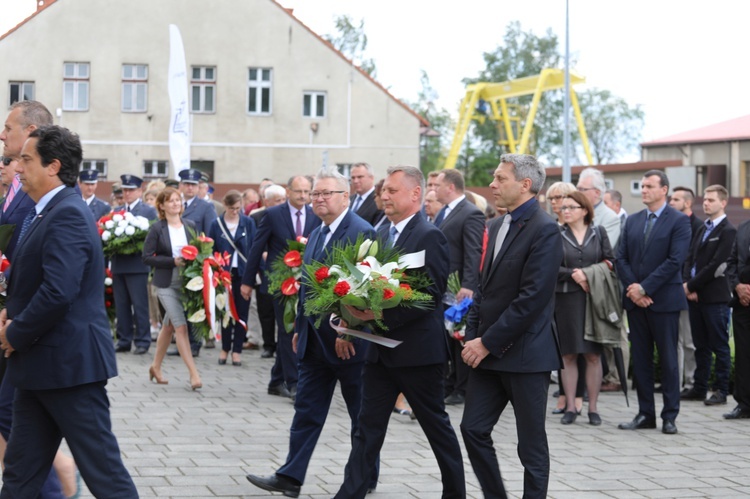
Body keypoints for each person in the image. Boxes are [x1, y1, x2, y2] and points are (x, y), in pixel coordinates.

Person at [0, 125, 138, 497]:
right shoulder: (47, 212)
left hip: (69, 368)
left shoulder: (68, 214)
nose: (18, 168)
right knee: (19, 476)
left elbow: (59, 291)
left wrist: (14, 331)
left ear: (53, 166)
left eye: (27, 160)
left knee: (104, 475)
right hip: (37, 368)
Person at [334, 165, 465, 499]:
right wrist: (351, 317)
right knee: (367, 429)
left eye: (392, 190)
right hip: (379, 353)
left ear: (416, 194)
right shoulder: (380, 236)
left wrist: (373, 315)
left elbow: (430, 298)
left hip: (417, 354)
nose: (384, 196)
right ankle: (349, 494)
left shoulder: (429, 235)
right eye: (384, 191)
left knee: (435, 427)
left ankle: (455, 493)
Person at [246, 169, 378, 497]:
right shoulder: (318, 232)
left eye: (325, 194)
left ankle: (366, 477)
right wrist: (299, 328)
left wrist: (350, 332)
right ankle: (290, 477)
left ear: (345, 197)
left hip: (349, 345)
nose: (317, 199)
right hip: (314, 343)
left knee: (360, 417)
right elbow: (308, 287)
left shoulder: (362, 232)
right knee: (306, 411)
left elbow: (368, 291)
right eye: (314, 194)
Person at [460, 154, 562, 498]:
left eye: (500, 178)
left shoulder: (545, 229)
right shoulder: (495, 225)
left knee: (530, 447)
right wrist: (472, 338)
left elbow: (531, 299)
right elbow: (482, 290)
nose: (492, 184)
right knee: (472, 429)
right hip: (487, 352)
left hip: (526, 355)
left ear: (525, 184)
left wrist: (485, 342)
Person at [616, 170, 691, 435]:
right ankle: (645, 413)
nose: (644, 190)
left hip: (665, 301)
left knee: (669, 360)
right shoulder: (634, 220)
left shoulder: (679, 221)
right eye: (643, 185)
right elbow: (620, 258)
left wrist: (645, 287)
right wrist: (634, 290)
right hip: (636, 303)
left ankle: (669, 416)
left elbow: (675, 260)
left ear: (664, 190)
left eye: (649, 186)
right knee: (642, 359)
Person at [241, 176, 320, 399]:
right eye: (298, 191)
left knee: (297, 330)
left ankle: (276, 381)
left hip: (306, 282)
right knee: (288, 329)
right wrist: (247, 282)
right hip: (280, 283)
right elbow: (257, 248)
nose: (303, 196)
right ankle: (293, 383)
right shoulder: (273, 214)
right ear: (288, 191)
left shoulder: (316, 215)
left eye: (307, 191)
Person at [556, 190, 613, 426]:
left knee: (592, 354)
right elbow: (548, 267)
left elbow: (610, 261)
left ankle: (593, 408)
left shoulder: (598, 233)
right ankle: (570, 407)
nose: (565, 211)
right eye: (563, 208)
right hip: (566, 300)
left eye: (571, 207)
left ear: (584, 210)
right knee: (568, 354)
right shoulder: (556, 235)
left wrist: (588, 275)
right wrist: (573, 275)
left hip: (594, 300)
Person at [142, 187, 202, 390]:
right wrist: (172, 262)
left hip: (187, 283)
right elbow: (147, 257)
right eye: (171, 201)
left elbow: (199, 250)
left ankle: (155, 367)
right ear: (162, 205)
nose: (176, 203)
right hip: (165, 282)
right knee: (180, 326)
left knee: (168, 326)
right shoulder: (157, 228)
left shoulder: (190, 225)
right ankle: (194, 374)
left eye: (178, 200)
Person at [680, 185, 735, 406]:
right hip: (695, 296)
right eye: (705, 199)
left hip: (714, 298)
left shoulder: (728, 231)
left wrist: (691, 286)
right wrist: (686, 284)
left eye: (711, 200)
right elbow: (690, 258)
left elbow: (716, 265)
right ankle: (699, 387)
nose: (706, 203)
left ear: (723, 203)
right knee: (700, 345)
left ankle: (722, 390)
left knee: (720, 346)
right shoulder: (703, 228)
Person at [434, 169, 484, 406]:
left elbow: (473, 251)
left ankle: (462, 388)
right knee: (448, 336)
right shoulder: (443, 212)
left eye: (437, 185)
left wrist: (468, 285)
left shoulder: (471, 213)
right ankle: (450, 383)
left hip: (460, 289)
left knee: (460, 337)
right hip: (444, 286)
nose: (433, 190)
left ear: (450, 187)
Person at [169, 168, 217, 357]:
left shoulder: (205, 207)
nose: (189, 188)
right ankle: (181, 342)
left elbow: (209, 236)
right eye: (186, 184)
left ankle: (194, 343)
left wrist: (205, 260)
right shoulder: (175, 204)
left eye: (193, 185)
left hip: (196, 263)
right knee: (178, 304)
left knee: (195, 304)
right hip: (176, 262)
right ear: (180, 186)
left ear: (198, 187)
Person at [208, 190, 256, 366]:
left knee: (242, 312)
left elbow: (253, 248)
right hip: (224, 275)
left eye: (237, 208)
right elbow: (211, 248)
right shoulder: (217, 224)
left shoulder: (248, 223)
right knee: (225, 311)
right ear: (225, 206)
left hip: (243, 273)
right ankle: (225, 348)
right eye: (231, 208)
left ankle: (237, 350)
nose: (235, 211)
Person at [111, 173, 158, 354]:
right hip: (119, 263)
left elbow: (151, 237)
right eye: (125, 190)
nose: (127, 193)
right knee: (121, 305)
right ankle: (124, 339)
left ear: (140, 191)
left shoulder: (147, 211)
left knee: (139, 305)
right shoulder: (116, 211)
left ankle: (142, 340)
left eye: (131, 190)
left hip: (137, 264)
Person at [0, 101, 48, 262]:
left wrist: (6, 280)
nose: (2, 135)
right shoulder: (19, 179)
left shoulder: (50, 182)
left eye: (8, 128)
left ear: (30, 132)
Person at [670, 186, 703, 392]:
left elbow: (695, 259)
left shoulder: (698, 226)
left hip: (689, 289)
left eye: (675, 199)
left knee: (689, 340)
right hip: (672, 289)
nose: (671, 202)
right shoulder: (670, 224)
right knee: (675, 340)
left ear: (687, 203)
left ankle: (691, 382)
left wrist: (689, 285)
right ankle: (675, 382)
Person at [248, 184, 287, 358]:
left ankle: (281, 345)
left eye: (283, 200)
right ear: (267, 201)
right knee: (265, 310)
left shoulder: (288, 216)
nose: (281, 203)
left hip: (285, 270)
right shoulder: (257, 216)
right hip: (264, 270)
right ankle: (268, 344)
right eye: (277, 200)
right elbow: (255, 242)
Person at [724, 215, 750, 420]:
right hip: (743, 303)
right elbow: (731, 262)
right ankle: (744, 404)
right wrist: (737, 286)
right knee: (743, 354)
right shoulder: (743, 227)